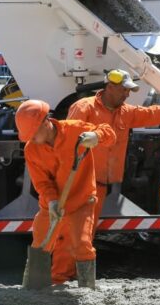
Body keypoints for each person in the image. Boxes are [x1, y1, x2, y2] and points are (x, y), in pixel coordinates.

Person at [49, 69, 160, 284]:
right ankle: (59, 277)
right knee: (70, 231)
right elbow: (69, 142)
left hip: (100, 184)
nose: (127, 95)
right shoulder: (83, 108)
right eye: (124, 90)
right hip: (79, 181)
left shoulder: (125, 112)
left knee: (85, 230)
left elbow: (154, 113)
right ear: (110, 87)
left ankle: (71, 274)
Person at [15, 99, 116, 289]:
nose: (32, 138)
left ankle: (87, 289)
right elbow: (42, 182)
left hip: (81, 201)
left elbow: (109, 134)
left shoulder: (75, 131)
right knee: (41, 244)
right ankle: (33, 287)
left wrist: (97, 135)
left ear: (46, 122)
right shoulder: (31, 149)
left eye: (34, 133)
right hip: (51, 205)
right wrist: (52, 202)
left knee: (82, 244)